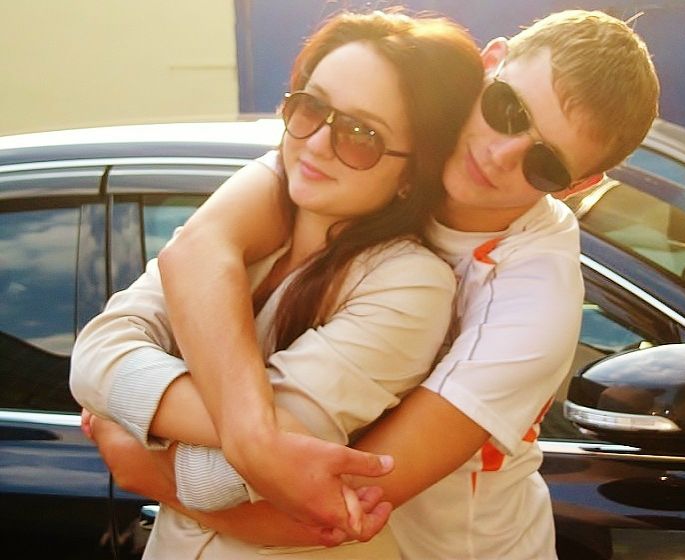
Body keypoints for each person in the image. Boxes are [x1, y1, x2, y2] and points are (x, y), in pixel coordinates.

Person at [80, 8, 660, 560]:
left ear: (576, 185)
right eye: (507, 109)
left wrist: (137, 454)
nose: (499, 154)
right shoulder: (361, 148)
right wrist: (251, 436)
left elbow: (323, 511)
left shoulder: (531, 304)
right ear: (490, 63)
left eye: (544, 164)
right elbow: (199, 250)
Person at [70, 10, 483, 559]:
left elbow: (216, 480)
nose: (317, 143)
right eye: (311, 108)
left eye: (361, 135)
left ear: (413, 173)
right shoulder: (238, 231)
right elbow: (96, 355)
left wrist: (129, 435)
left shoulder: (409, 285)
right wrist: (262, 438)